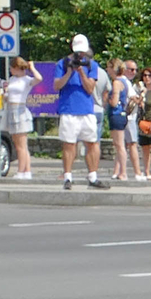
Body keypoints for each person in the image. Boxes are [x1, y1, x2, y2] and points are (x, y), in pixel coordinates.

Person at [51, 35, 108, 188]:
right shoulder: (62, 64)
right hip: (68, 110)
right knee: (69, 144)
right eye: (78, 52)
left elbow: (90, 89)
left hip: (86, 110)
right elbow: (57, 86)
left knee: (92, 143)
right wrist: (69, 72)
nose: (80, 55)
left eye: (82, 52)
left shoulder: (91, 65)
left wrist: (81, 71)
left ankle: (93, 176)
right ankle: (68, 177)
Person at [2, 57, 39, 179]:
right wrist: (4, 93)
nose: (10, 70)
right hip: (11, 109)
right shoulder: (12, 79)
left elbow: (39, 78)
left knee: (21, 146)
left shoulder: (26, 80)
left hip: (20, 110)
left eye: (11, 68)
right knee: (19, 144)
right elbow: (8, 96)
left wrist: (32, 68)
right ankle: (27, 171)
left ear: (16, 68)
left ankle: (21, 171)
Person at [109, 59, 140, 184]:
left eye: (108, 67)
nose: (107, 70)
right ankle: (120, 172)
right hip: (122, 115)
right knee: (120, 145)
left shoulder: (117, 82)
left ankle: (123, 172)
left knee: (120, 145)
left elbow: (114, 102)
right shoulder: (125, 82)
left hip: (116, 114)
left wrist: (106, 98)